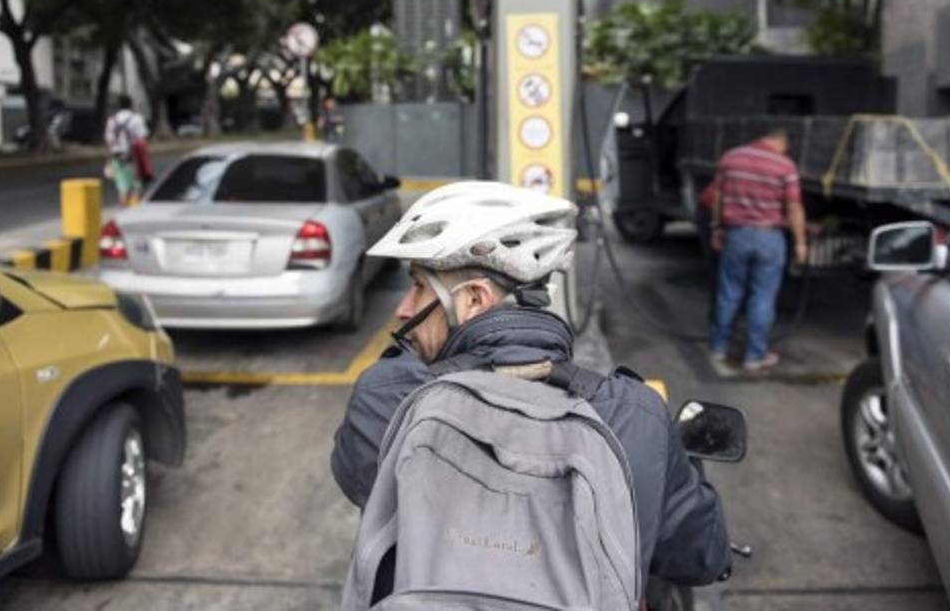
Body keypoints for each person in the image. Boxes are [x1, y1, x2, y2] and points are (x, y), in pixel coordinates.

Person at [331, 181, 732, 600]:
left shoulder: (387, 397)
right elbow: (702, 555)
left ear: (473, 300)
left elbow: (353, 474)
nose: (403, 309)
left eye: (417, 286)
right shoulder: (634, 414)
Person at [708, 127, 807, 372]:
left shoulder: (731, 158)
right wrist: (800, 242)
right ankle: (754, 356)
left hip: (736, 235)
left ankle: (718, 347)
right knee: (762, 297)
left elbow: (718, 196)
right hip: (769, 238)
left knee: (729, 292)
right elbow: (794, 207)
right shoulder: (785, 165)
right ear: (782, 142)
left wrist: (717, 227)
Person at [104, 96, 148, 207]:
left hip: (117, 157)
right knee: (137, 187)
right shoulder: (136, 118)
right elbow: (142, 140)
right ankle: (135, 210)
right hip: (134, 157)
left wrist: (108, 162)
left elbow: (109, 142)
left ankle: (123, 210)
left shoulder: (112, 120)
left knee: (123, 188)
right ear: (131, 104)